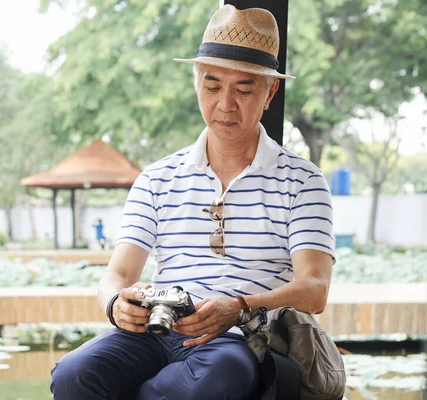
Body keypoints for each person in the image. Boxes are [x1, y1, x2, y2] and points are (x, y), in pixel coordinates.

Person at [51, 5, 335, 400]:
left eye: (244, 89)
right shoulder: (156, 178)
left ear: (270, 92)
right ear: (195, 83)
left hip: (239, 336)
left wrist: (239, 306)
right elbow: (117, 274)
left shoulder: (303, 180)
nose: (225, 104)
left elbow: (314, 289)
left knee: (221, 373)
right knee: (73, 373)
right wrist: (116, 304)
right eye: (213, 85)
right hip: (157, 330)